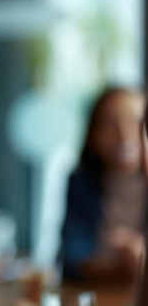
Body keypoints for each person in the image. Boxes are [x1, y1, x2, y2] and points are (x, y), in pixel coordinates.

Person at [59, 86, 147, 285]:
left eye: (135, 121)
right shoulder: (81, 183)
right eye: (109, 123)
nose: (124, 134)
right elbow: (72, 259)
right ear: (94, 133)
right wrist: (126, 267)